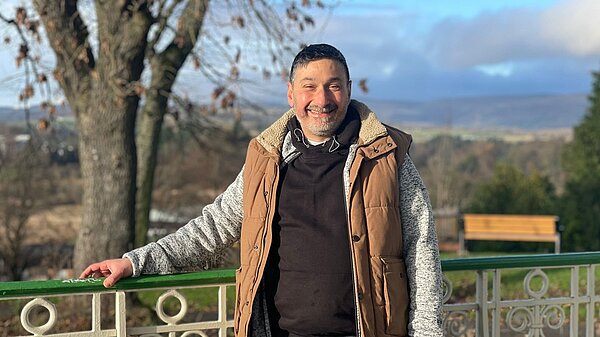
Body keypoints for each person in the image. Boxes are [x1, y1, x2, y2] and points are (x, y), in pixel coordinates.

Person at [81, 43, 443, 337]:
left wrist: (427, 332)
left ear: (348, 91)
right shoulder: (265, 159)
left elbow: (420, 246)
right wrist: (135, 261)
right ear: (291, 94)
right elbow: (214, 227)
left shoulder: (386, 155)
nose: (323, 98)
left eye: (334, 85)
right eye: (309, 86)